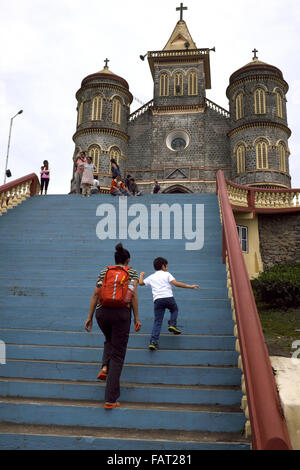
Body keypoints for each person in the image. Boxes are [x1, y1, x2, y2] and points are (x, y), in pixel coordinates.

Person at [85, 243, 141, 409]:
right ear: (128, 260)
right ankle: (110, 399)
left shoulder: (104, 271)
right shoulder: (131, 272)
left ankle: (104, 366)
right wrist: (137, 317)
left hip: (102, 313)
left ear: (115, 259)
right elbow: (133, 295)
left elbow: (96, 293)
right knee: (118, 354)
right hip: (121, 314)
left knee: (110, 340)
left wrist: (89, 317)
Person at [139, 257, 199, 350]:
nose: (167, 267)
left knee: (158, 321)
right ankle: (172, 324)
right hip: (168, 298)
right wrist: (190, 286)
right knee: (174, 309)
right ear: (163, 266)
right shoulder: (166, 274)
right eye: (166, 266)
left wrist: (141, 275)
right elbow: (175, 283)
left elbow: (141, 283)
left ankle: (153, 341)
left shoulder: (151, 277)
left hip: (158, 300)